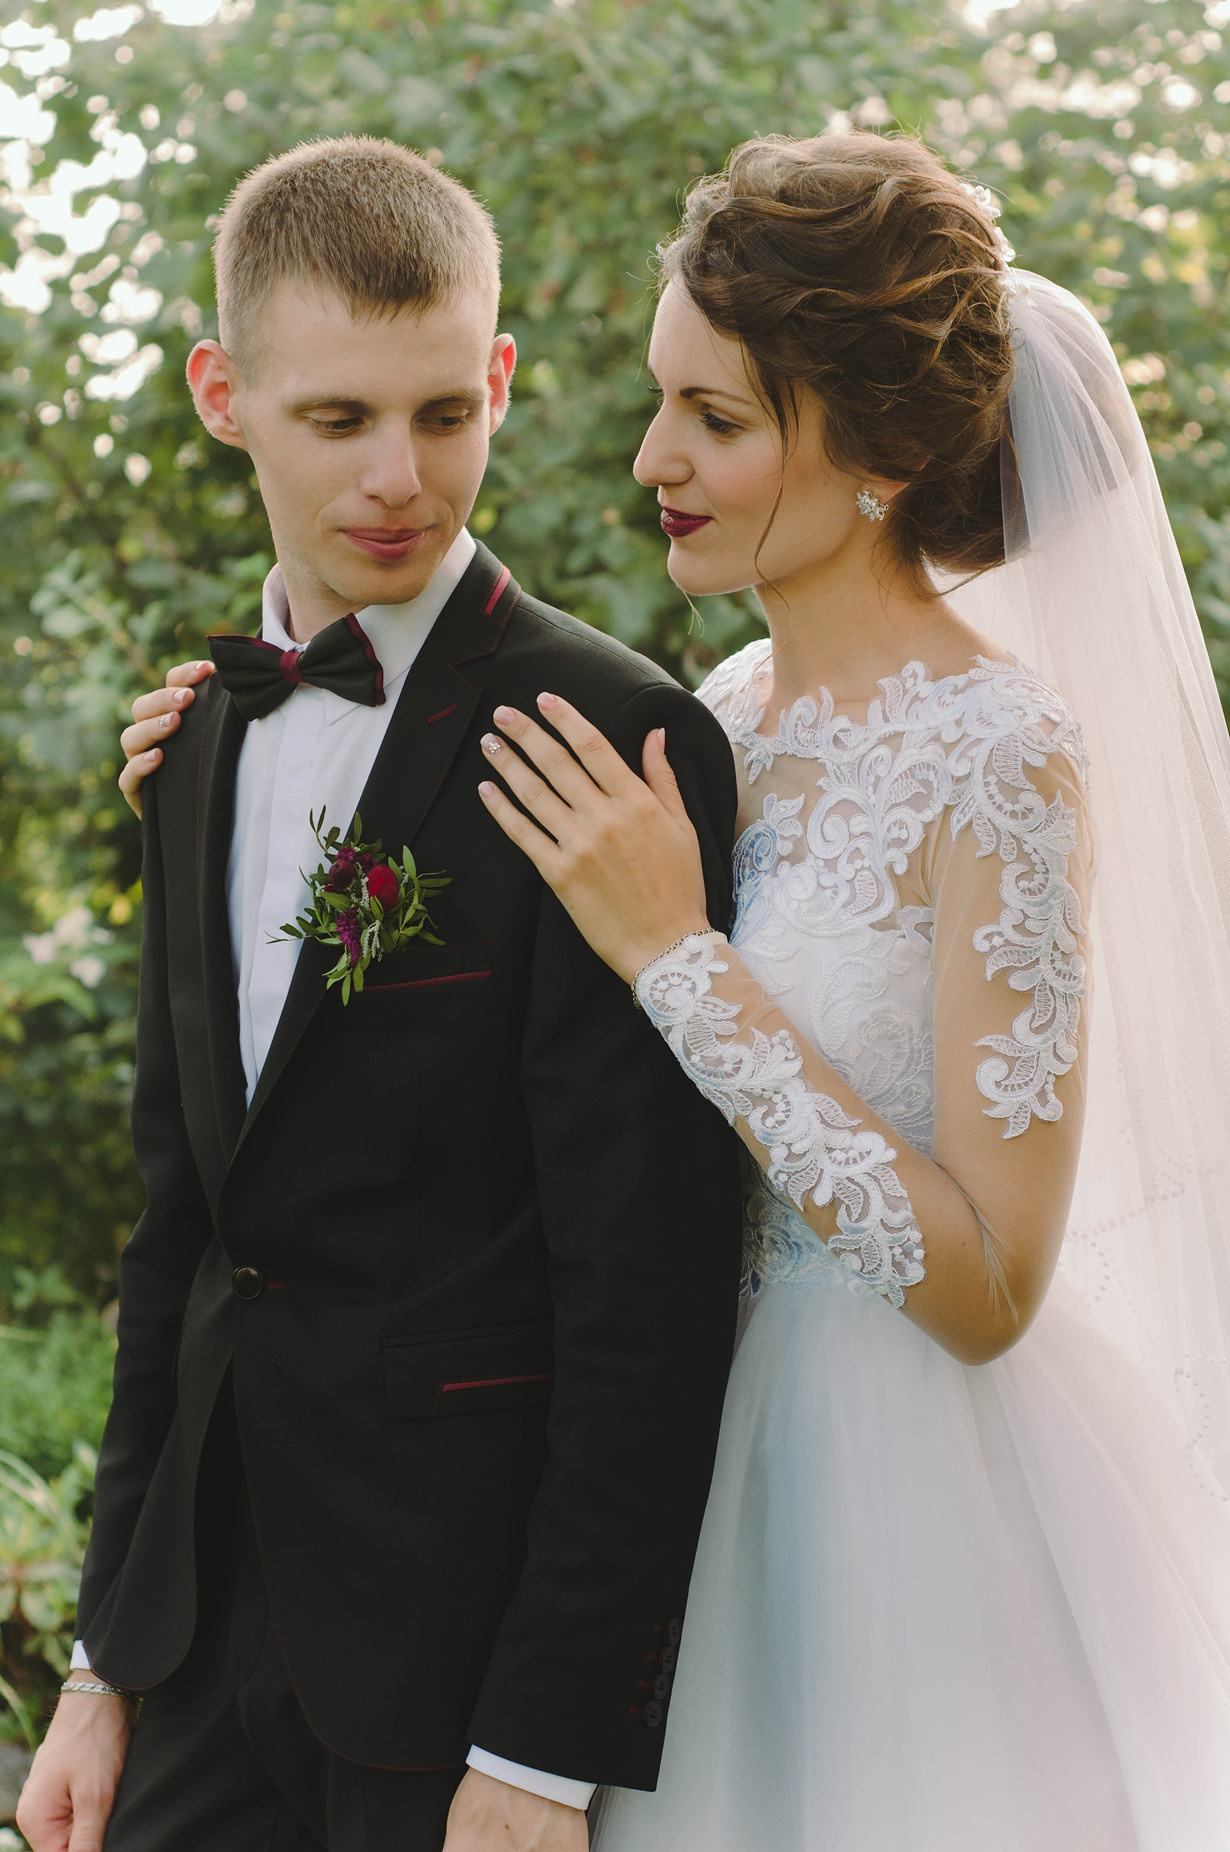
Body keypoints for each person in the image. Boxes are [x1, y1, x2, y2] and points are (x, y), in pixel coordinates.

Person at [115, 132, 1230, 1848]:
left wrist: (680, 966)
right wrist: (223, 788)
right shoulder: (716, 714)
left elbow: (993, 1282)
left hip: (898, 1497)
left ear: (865, 451)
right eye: (661, 401)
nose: (651, 457)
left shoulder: (1005, 757)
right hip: (661, 1497)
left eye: (712, 418)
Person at [16, 136, 744, 1852]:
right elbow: (179, 1229)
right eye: (337, 420)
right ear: (224, 396)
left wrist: (542, 1754)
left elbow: (645, 1294)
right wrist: (106, 1662)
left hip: (458, 1671)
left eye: (444, 412)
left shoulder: (612, 739)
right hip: (196, 1648)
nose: (400, 477)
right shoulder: (193, 735)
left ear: (499, 375)